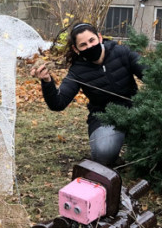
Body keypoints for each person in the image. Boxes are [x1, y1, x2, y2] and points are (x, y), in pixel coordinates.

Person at [30, 22, 145, 166]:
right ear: (76, 49)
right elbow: (58, 103)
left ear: (100, 38)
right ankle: (114, 152)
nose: (89, 46)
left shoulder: (122, 52)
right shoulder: (77, 71)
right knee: (104, 152)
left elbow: (150, 74)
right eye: (83, 45)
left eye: (92, 40)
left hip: (135, 111)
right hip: (104, 118)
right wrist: (47, 81)